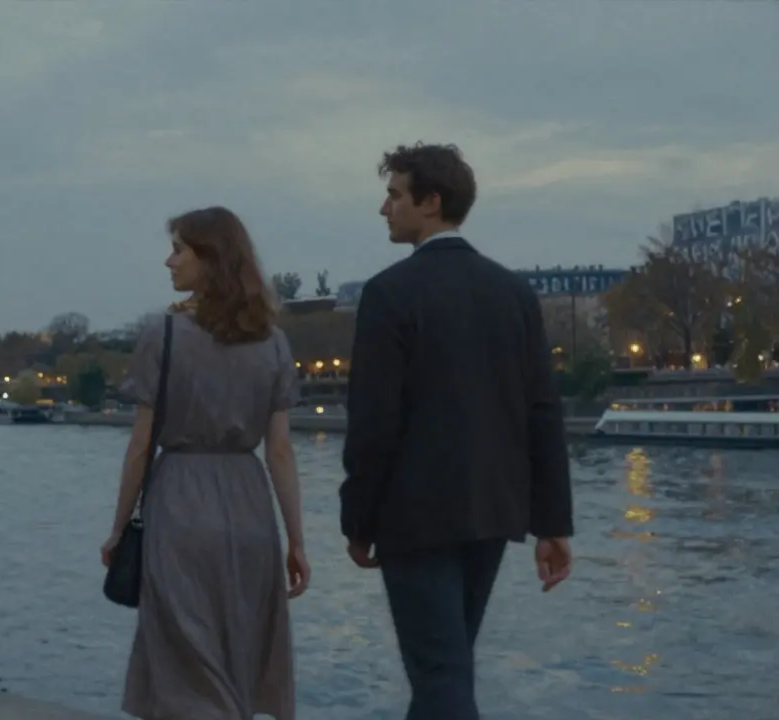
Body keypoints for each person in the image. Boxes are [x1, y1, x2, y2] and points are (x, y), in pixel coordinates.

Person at [339, 143, 575, 719]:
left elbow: (375, 424)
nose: (383, 208)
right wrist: (552, 523)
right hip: (493, 511)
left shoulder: (389, 294)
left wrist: (358, 520)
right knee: (447, 668)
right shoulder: (514, 293)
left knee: (440, 673)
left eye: (394, 194)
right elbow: (542, 410)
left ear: (431, 201)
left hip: (413, 515)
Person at [101, 206, 310, 720]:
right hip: (250, 505)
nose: (168, 261)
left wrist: (118, 526)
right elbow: (280, 450)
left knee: (186, 660)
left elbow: (141, 444)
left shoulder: (163, 334)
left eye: (179, 249)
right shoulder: (273, 341)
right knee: (238, 649)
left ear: (209, 259)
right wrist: (297, 539)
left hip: (181, 500)